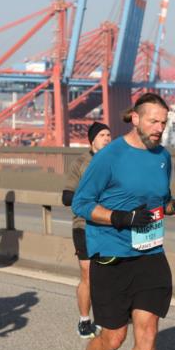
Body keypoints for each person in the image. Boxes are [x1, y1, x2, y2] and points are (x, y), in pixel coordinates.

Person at [68, 93, 175, 350]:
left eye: (164, 123)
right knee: (113, 338)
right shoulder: (109, 157)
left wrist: (174, 206)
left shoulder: (163, 157)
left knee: (148, 331)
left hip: (150, 255)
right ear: (135, 119)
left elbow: (156, 203)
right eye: (153, 121)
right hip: (112, 255)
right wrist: (120, 217)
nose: (159, 129)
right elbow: (81, 203)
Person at [61, 121, 110, 338]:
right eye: (102, 135)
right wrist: (89, 198)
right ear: (92, 140)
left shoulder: (116, 162)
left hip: (110, 226)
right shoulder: (81, 163)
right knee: (88, 273)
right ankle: (84, 319)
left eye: (109, 134)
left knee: (110, 274)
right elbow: (66, 196)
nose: (107, 138)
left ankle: (108, 316)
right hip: (84, 226)